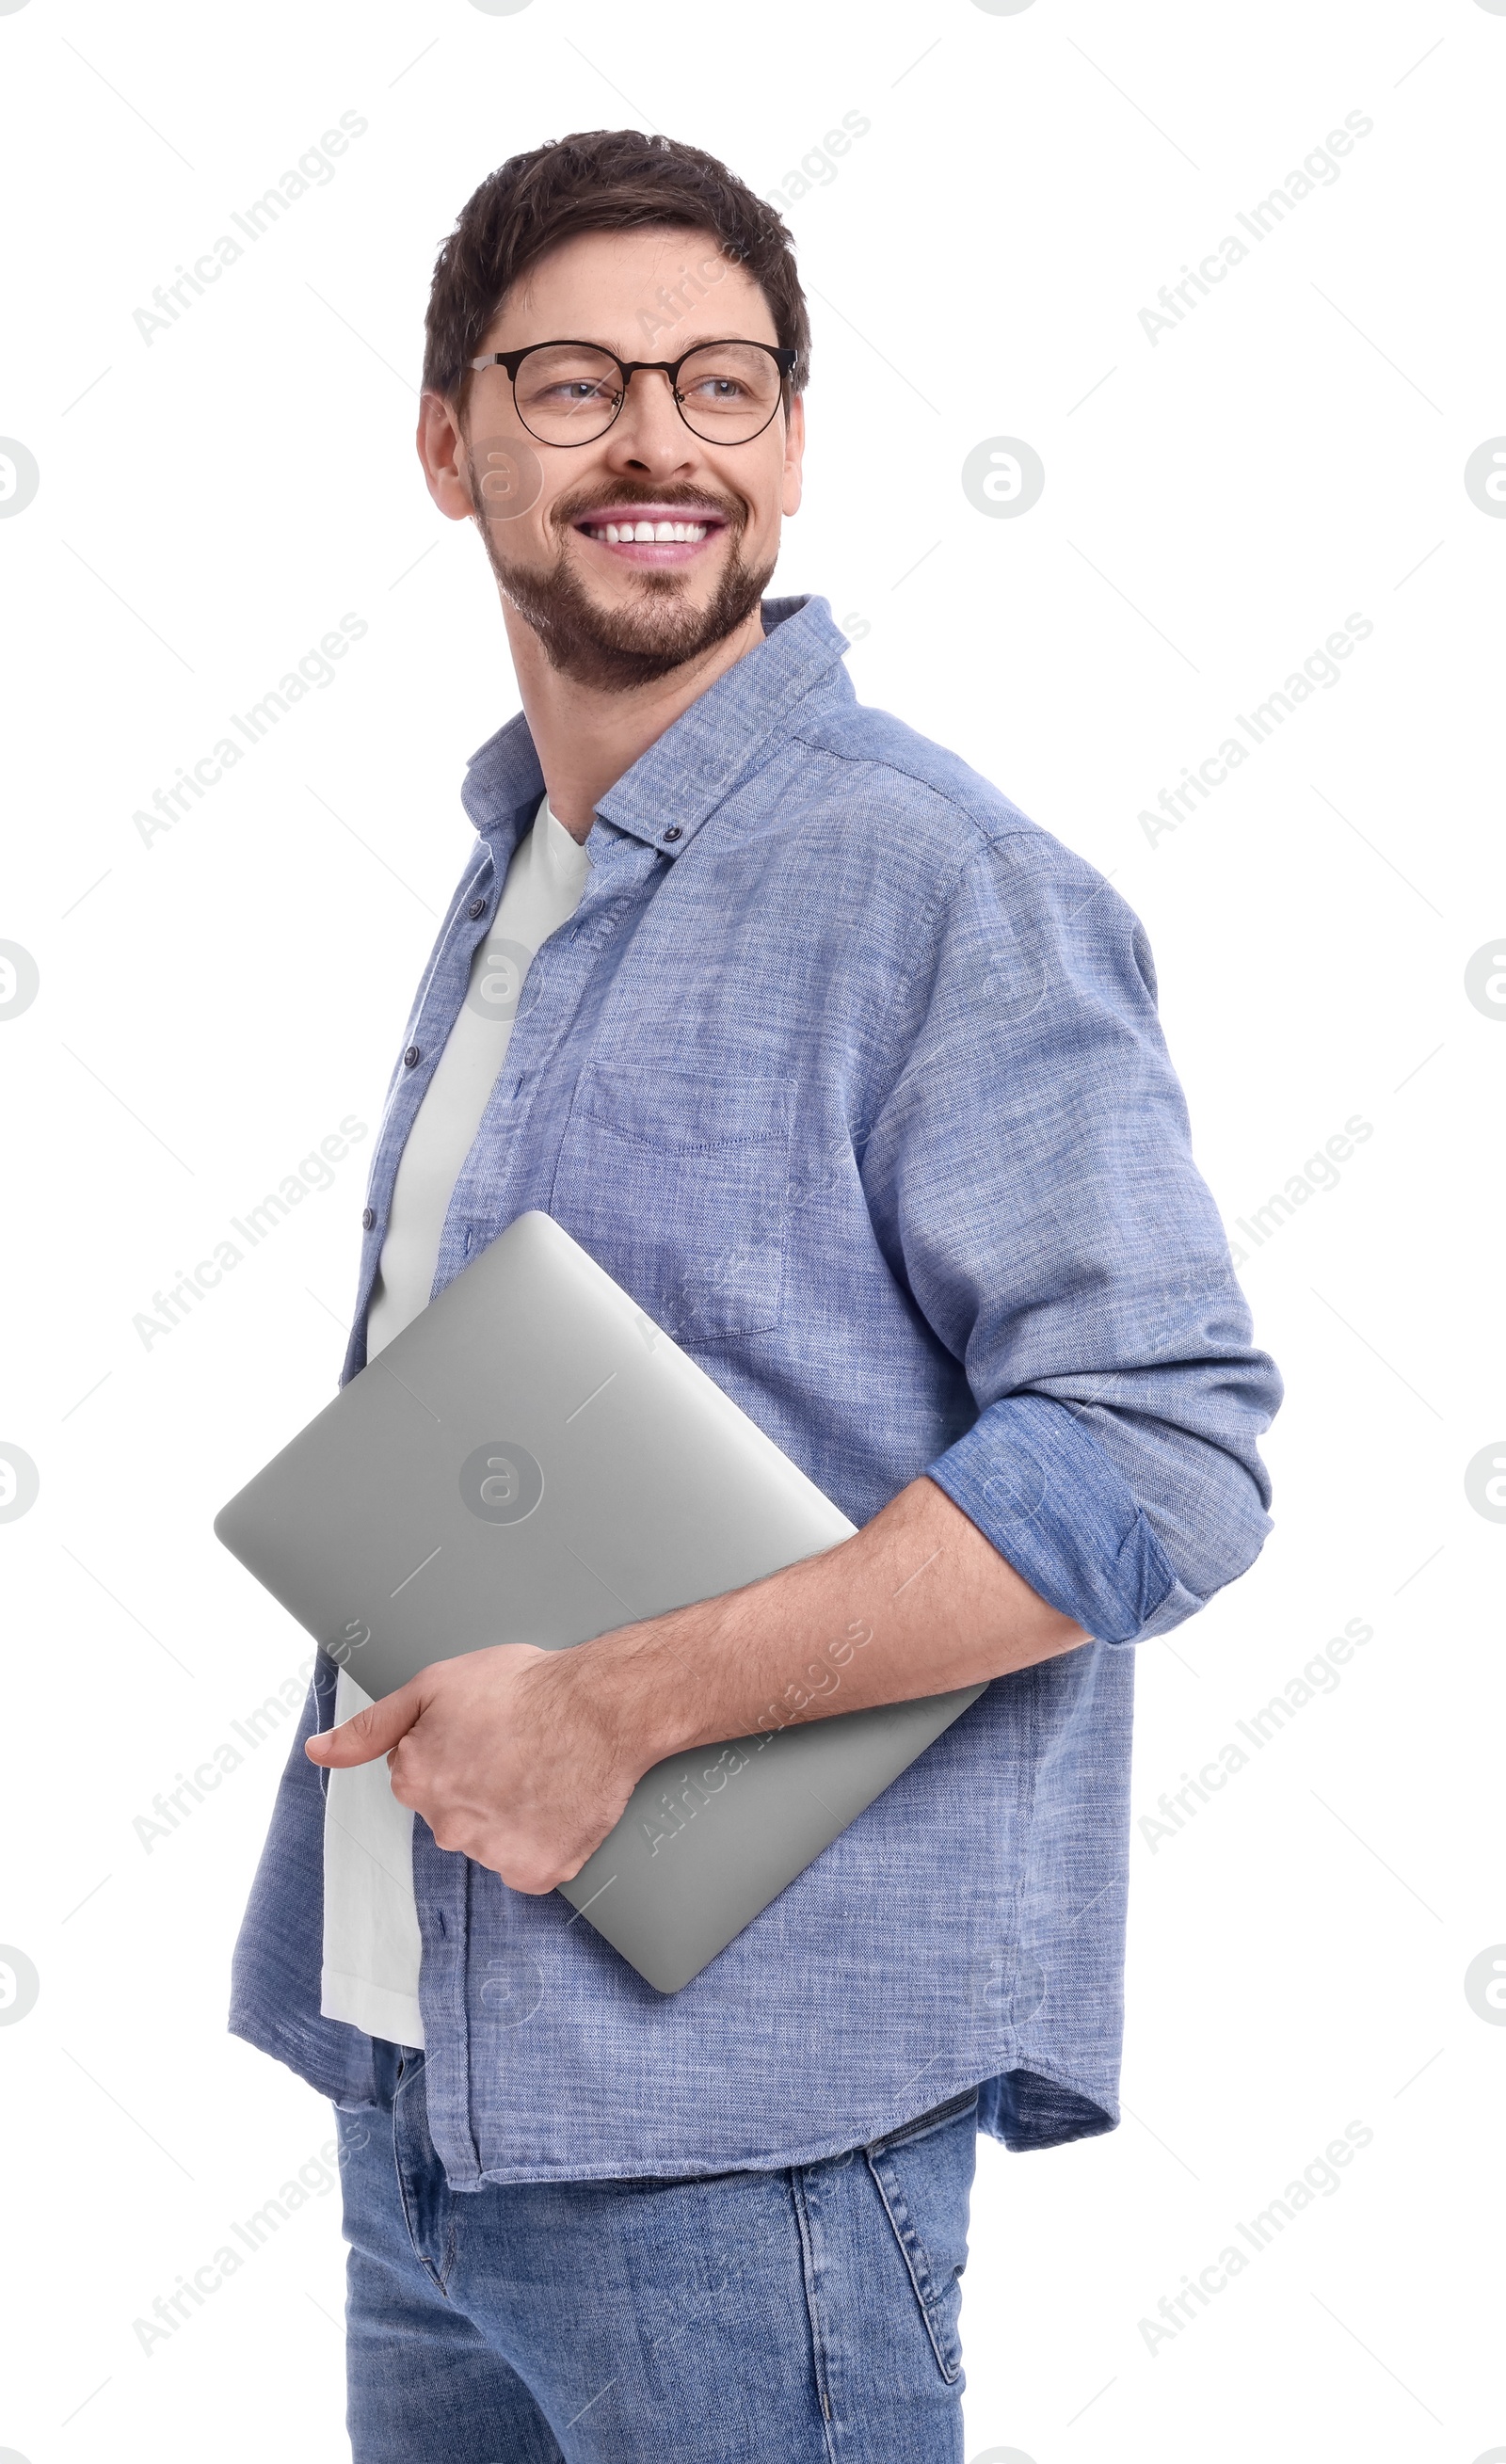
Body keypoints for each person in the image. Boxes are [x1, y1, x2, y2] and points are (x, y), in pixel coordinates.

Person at [229, 127, 1281, 2462]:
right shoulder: (520, 861)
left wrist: (621, 1706)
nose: (654, 446)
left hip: (740, 2141)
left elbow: (1162, 1450)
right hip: (414, 2096)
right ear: (449, 441)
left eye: (721, 388)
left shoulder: (937, 883)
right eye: (577, 381)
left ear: (790, 450)